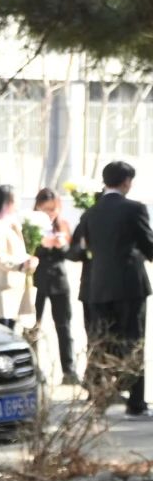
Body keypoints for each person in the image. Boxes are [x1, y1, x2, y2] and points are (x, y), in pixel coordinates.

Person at [70, 161, 153, 418]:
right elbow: (148, 244)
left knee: (101, 342)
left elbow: (76, 248)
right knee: (133, 341)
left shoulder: (90, 212)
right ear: (126, 182)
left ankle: (100, 398)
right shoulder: (134, 209)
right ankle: (135, 403)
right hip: (129, 286)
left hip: (98, 287)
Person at [31, 188, 79, 384]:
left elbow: (73, 253)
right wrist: (43, 245)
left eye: (53, 209)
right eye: (45, 209)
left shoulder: (63, 225)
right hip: (36, 280)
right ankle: (34, 369)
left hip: (59, 280)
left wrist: (62, 245)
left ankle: (69, 370)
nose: (49, 214)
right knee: (32, 325)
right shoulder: (30, 225)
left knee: (64, 326)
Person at [0, 185, 36, 330]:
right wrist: (21, 264)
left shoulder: (10, 225)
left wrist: (27, 260)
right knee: (0, 332)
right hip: (0, 293)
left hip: (11, 292)